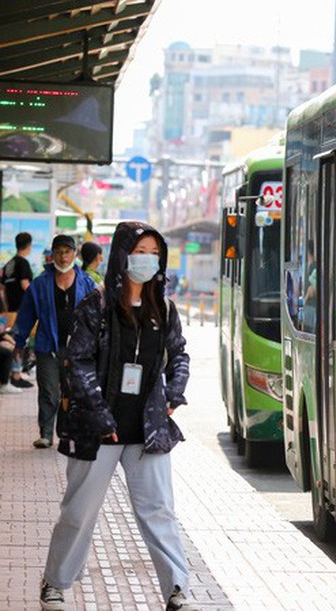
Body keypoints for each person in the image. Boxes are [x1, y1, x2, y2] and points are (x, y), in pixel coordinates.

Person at [38, 221, 196, 611]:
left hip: (148, 430)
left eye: (154, 253)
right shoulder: (97, 306)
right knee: (79, 512)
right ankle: (55, 584)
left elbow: (179, 354)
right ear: (123, 255)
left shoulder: (165, 307)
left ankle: (177, 590)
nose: (147, 260)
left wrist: (175, 392)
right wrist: (100, 413)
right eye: (140, 251)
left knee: (159, 512)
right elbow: (78, 362)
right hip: (98, 431)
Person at [14, 235, 95, 449]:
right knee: (49, 391)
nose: (63, 256)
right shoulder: (40, 284)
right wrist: (19, 342)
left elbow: (97, 317)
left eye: (67, 252)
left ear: (74, 254)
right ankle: (46, 434)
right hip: (47, 346)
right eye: (59, 252)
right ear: (53, 255)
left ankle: (68, 432)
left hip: (77, 349)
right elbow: (26, 316)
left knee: (73, 392)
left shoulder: (87, 283)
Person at [3, 231, 35, 388]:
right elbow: (25, 285)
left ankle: (13, 373)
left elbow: (2, 287)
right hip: (21, 310)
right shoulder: (23, 263)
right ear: (28, 245)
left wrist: (6, 307)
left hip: (9, 310)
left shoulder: (9, 264)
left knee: (11, 339)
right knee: (19, 341)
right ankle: (15, 374)